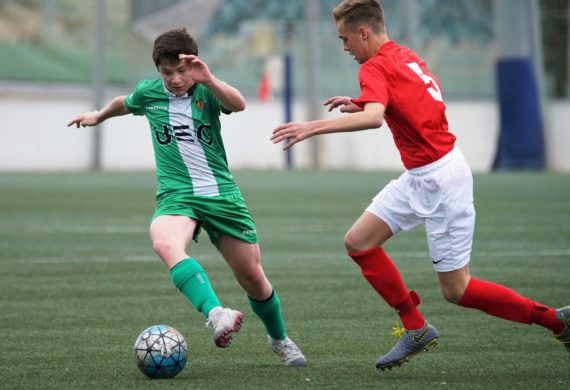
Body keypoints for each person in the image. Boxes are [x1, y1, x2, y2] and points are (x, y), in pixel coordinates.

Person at [271, 0, 569, 370]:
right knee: (358, 241)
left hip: (441, 181)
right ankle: (415, 325)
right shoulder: (404, 55)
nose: (344, 47)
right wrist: (362, 100)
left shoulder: (374, 66)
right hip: (424, 175)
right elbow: (406, 98)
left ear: (363, 32)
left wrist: (311, 127)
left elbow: (376, 119)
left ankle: (556, 321)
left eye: (345, 39)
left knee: (456, 290)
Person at [68, 27, 306, 367]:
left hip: (221, 195)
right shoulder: (150, 94)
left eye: (182, 71)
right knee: (164, 243)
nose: (177, 79)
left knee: (253, 278)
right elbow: (125, 102)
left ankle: (279, 339)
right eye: (168, 73)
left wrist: (208, 79)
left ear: (193, 65)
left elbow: (237, 104)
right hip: (176, 194)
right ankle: (216, 314)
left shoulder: (205, 92)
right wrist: (98, 115)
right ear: (158, 71)